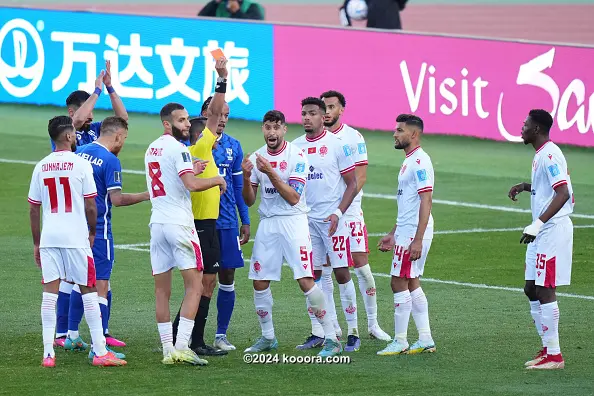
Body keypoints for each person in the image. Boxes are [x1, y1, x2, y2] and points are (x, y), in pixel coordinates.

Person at [144, 61, 228, 365]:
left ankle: (168, 350)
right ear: (168, 124)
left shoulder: (151, 148)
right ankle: (182, 346)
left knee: (162, 291)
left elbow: (168, 181)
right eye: (181, 120)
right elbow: (191, 185)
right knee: (196, 285)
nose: (185, 124)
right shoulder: (180, 148)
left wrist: (189, 170)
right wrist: (216, 179)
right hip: (181, 223)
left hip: (157, 224)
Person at [28, 115, 126, 367]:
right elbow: (91, 205)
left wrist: (37, 243)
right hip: (75, 237)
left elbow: (33, 209)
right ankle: (101, 352)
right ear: (70, 136)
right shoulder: (79, 163)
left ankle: (48, 354)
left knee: (49, 295)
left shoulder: (41, 165)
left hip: (49, 237)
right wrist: (92, 231)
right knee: (89, 291)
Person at [241, 110, 341, 356]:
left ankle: (331, 338)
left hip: (294, 222)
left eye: (276, 127)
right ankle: (268, 337)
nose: (271, 132)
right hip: (268, 223)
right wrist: (245, 176)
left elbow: (294, 198)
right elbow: (249, 200)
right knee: (259, 281)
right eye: (267, 127)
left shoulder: (297, 156)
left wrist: (271, 173)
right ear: (263, 129)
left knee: (305, 280)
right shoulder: (256, 158)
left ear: (284, 129)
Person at [54, 60, 128, 347]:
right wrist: (96, 90)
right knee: (74, 278)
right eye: (89, 111)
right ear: (74, 112)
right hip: (78, 216)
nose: (92, 116)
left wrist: (109, 87)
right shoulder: (65, 132)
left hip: (85, 214)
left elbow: (121, 121)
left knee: (95, 276)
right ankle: (66, 333)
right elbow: (73, 122)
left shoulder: (93, 134)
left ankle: (98, 333)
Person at [65, 117, 149, 360]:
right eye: (124, 139)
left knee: (77, 281)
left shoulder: (79, 152)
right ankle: (98, 346)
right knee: (100, 284)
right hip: (98, 230)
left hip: (74, 226)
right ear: (118, 136)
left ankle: (71, 335)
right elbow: (117, 200)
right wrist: (147, 194)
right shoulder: (110, 160)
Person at [319, 90, 391, 343]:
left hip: (350, 213)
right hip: (324, 216)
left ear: (341, 110)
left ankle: (373, 323)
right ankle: (334, 326)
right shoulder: (316, 140)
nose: (326, 112)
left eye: (331, 107)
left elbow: (360, 177)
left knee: (361, 266)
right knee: (326, 268)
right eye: (323, 107)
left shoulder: (353, 137)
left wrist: (342, 206)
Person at [508, 109, 573, 370]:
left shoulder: (549, 154)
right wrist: (526, 186)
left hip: (552, 229)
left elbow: (563, 192)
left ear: (536, 129)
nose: (522, 128)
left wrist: (537, 224)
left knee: (545, 288)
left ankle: (555, 355)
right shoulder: (540, 155)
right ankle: (547, 347)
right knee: (531, 288)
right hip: (541, 231)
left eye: (525, 125)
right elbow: (548, 188)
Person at [293, 97, 358, 353]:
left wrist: (339, 213)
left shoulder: (338, 145)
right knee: (312, 277)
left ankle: (353, 332)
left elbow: (352, 184)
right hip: (307, 222)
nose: (306, 118)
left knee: (342, 274)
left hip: (333, 222)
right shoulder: (295, 146)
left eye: (311, 114)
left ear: (323, 117)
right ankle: (319, 331)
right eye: (303, 114)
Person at [377, 114, 436, 356]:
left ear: (413, 134)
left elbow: (426, 199)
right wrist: (393, 233)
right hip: (406, 230)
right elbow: (408, 204)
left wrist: (418, 238)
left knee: (397, 281)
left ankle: (400, 340)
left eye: (400, 130)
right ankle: (425, 339)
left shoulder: (420, 162)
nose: (395, 134)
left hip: (414, 232)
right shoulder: (409, 161)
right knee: (412, 282)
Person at [196, 96, 251, 352]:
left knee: (227, 277)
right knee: (199, 280)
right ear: (206, 115)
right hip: (201, 220)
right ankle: (191, 333)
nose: (223, 120)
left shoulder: (233, 146)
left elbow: (239, 188)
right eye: (219, 114)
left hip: (227, 222)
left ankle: (220, 334)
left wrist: (246, 220)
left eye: (227, 116)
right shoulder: (194, 143)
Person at [198, 0, 264, 20]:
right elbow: (199, 22)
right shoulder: (216, 5)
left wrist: (237, 12)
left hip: (242, 46)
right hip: (218, 45)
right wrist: (214, 3)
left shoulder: (251, 6)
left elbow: (256, 29)